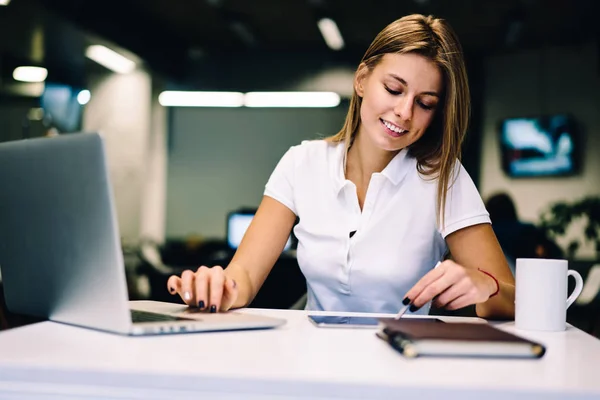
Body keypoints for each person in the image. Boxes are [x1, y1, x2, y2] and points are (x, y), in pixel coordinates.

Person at [167, 14, 515, 319]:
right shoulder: (301, 163)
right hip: (313, 365)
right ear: (362, 79)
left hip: (401, 369)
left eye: (425, 103)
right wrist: (217, 286)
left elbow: (512, 301)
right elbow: (242, 276)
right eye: (394, 89)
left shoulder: (444, 178)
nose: (405, 112)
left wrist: (485, 285)